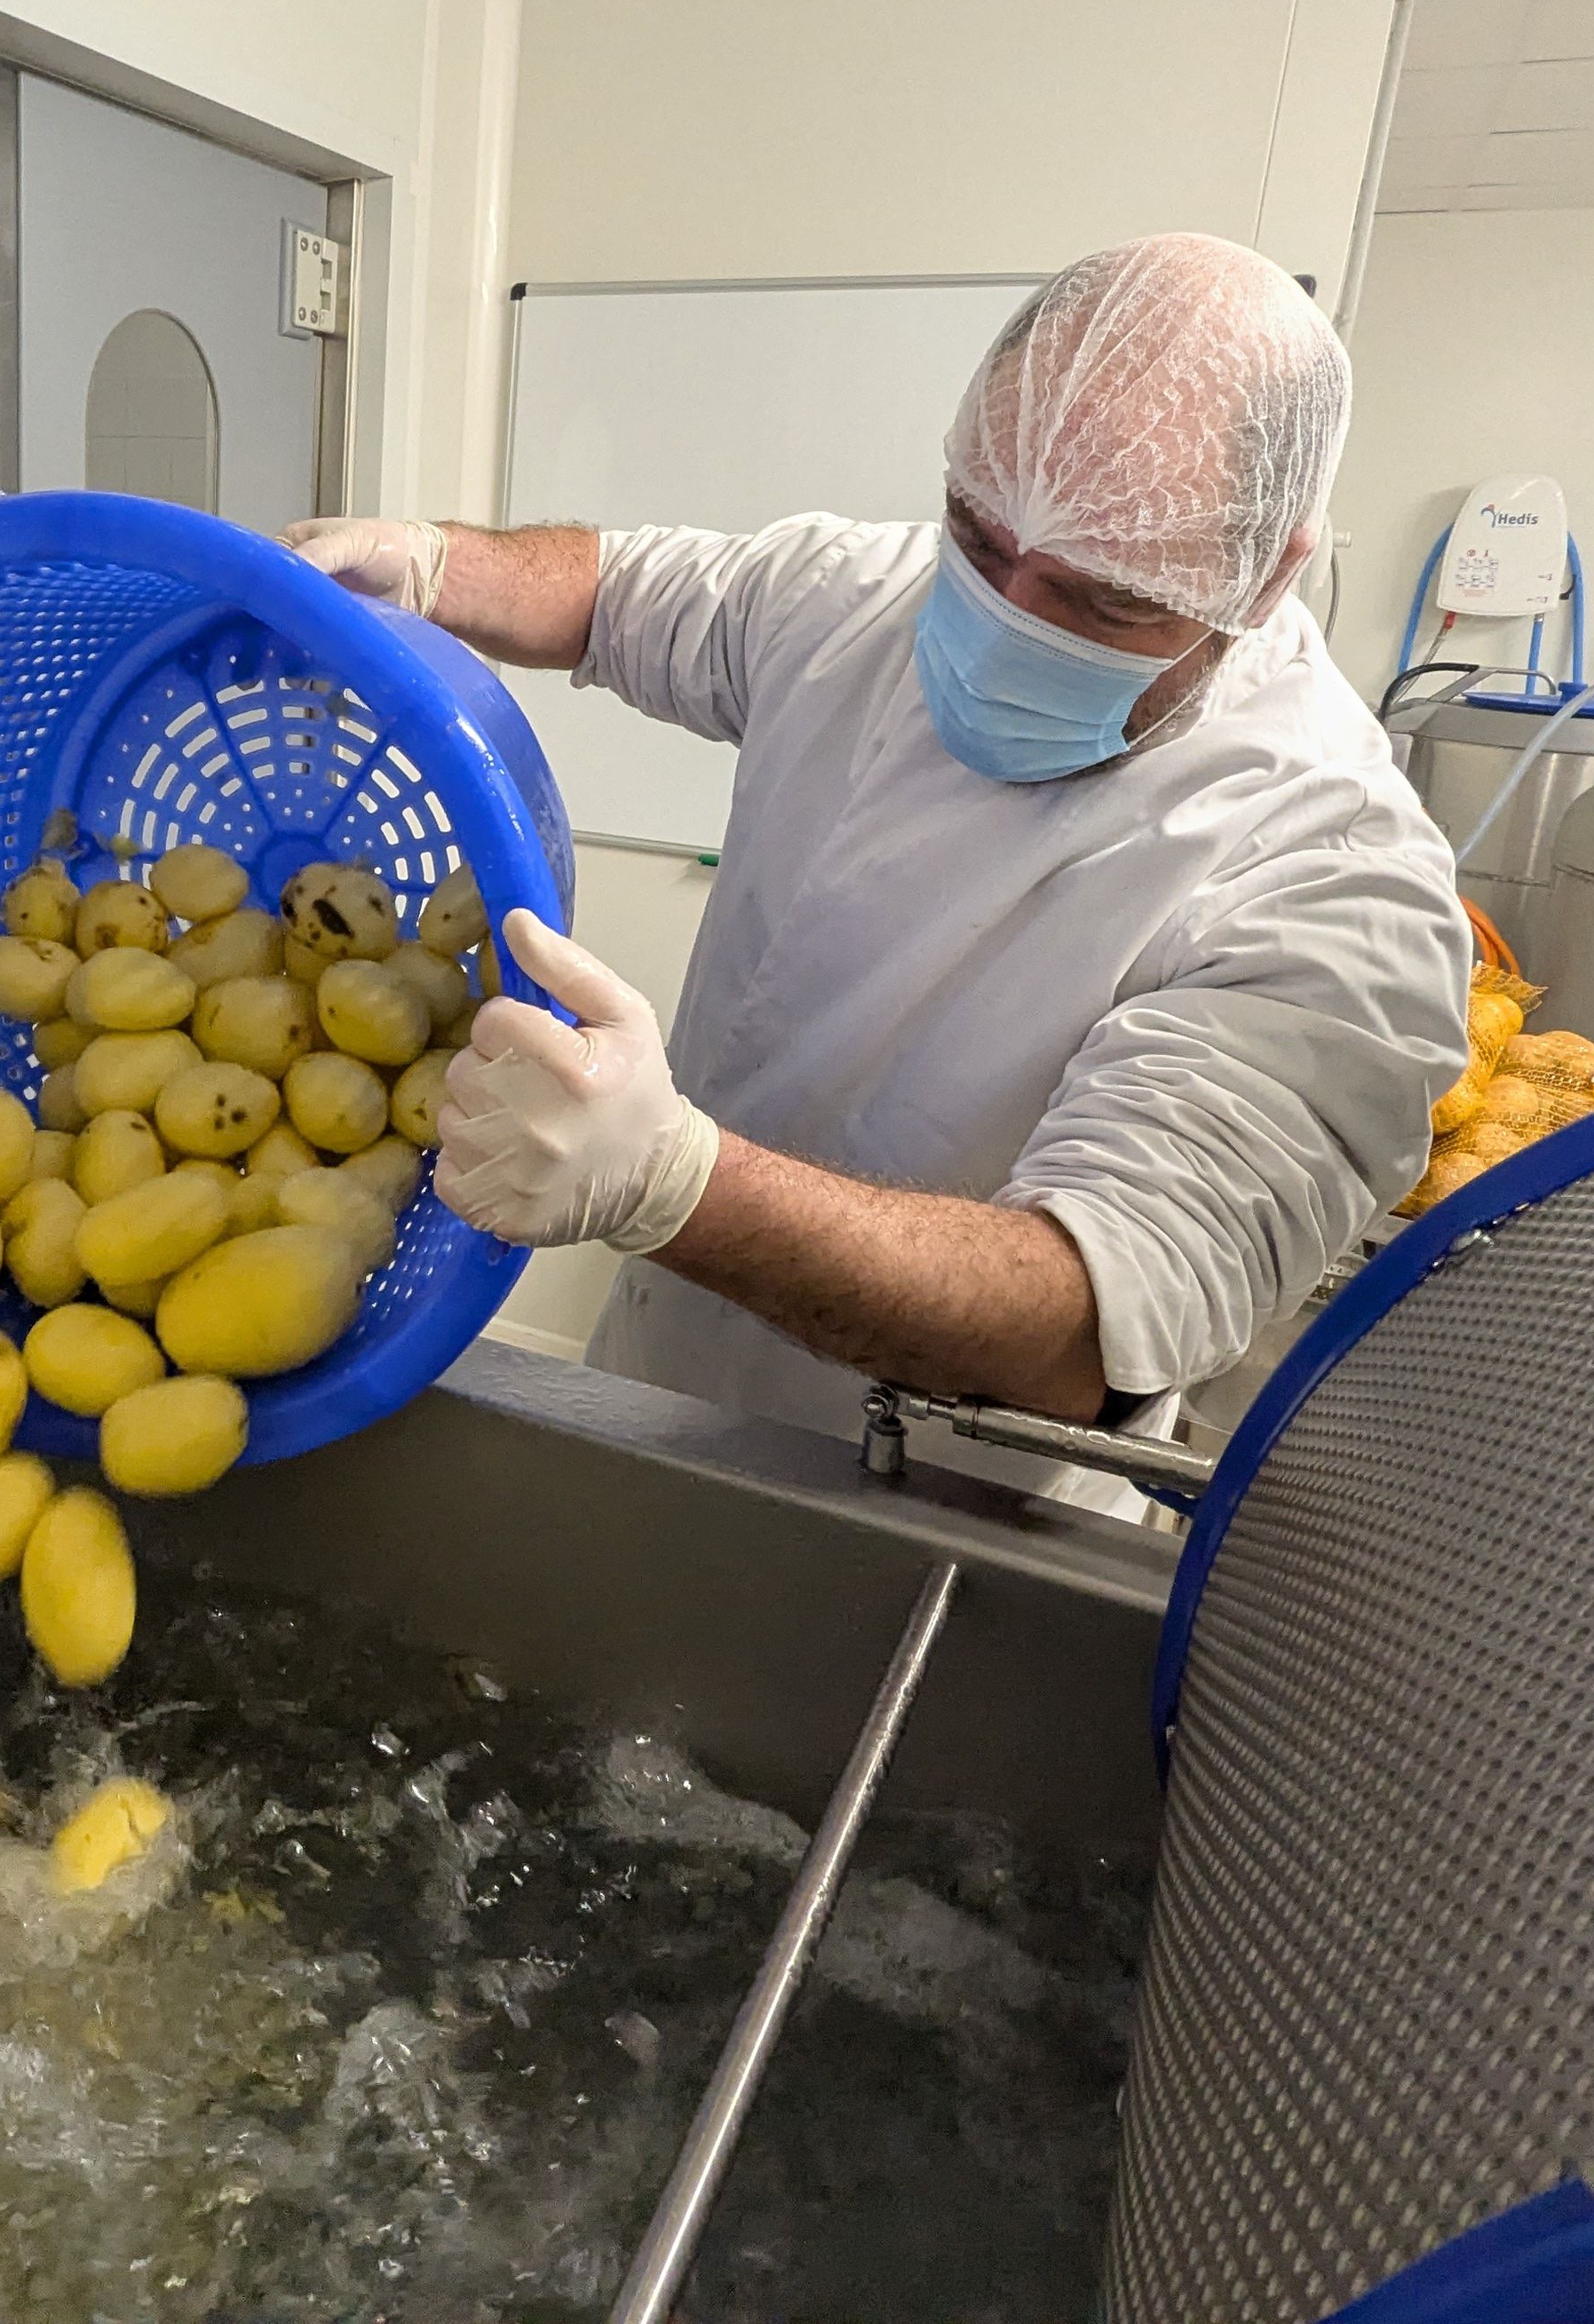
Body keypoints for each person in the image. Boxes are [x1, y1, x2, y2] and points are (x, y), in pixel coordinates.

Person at [286, 234, 1468, 1502]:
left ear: (1271, 571)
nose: (1006, 622)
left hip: (944, 1506)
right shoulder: (863, 594)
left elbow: (1085, 1326)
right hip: (664, 1385)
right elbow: (620, 592)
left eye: (1103, 602)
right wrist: (434, 562)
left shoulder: (1338, 886)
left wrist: (677, 1185)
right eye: (979, 536)